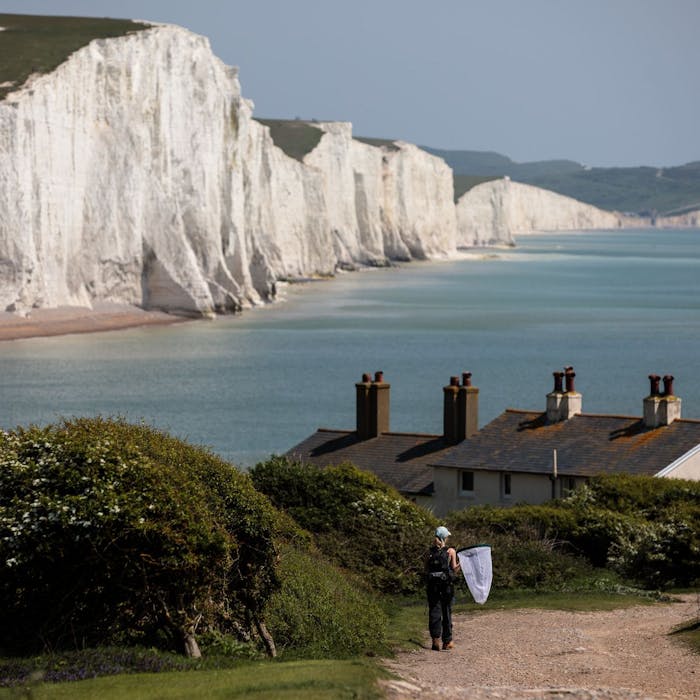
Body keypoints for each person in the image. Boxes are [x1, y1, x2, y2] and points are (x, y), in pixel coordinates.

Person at [425, 525, 460, 651]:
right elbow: (454, 569)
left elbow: (426, 569)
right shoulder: (450, 551)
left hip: (432, 587)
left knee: (434, 611)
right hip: (447, 587)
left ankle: (435, 640)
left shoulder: (430, 552)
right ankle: (447, 641)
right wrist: (461, 564)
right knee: (446, 612)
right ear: (445, 537)